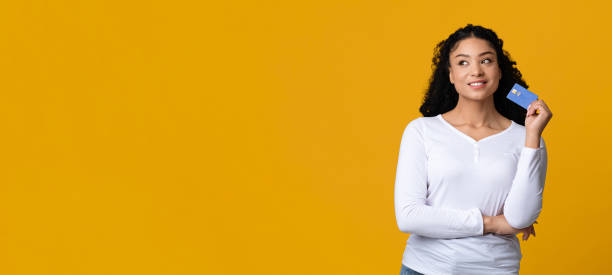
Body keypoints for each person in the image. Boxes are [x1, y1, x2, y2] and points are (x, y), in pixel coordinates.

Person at [394, 24, 553, 275]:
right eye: (463, 63)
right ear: (450, 74)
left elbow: (520, 218)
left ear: (499, 71)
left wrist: (532, 135)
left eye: (486, 60)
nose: (476, 71)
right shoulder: (421, 131)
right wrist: (489, 223)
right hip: (426, 268)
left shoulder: (527, 138)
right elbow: (409, 216)